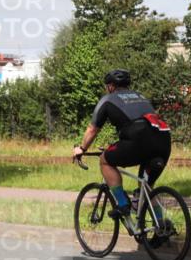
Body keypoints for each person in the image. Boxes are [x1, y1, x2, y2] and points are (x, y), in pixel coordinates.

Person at [72, 69, 171, 218]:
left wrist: (82, 148)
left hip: (139, 140)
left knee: (105, 160)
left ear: (111, 86)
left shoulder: (108, 99)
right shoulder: (140, 97)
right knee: (147, 189)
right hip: (163, 141)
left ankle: (123, 204)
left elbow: (92, 129)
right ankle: (162, 227)